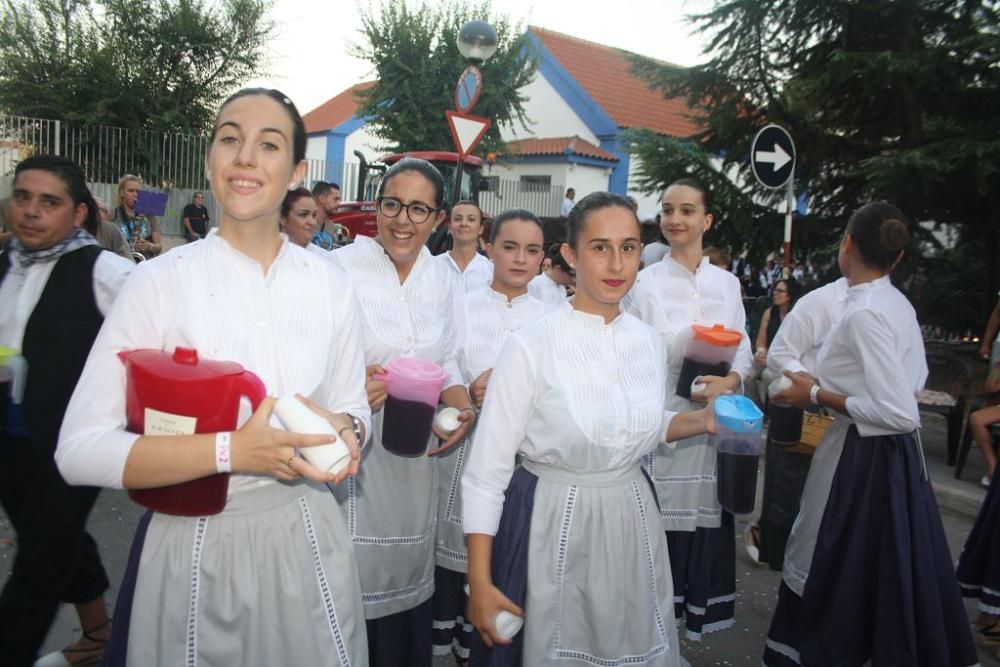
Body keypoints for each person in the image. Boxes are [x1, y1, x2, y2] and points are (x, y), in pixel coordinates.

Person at [56, 88, 371, 666]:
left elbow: (354, 406)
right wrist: (232, 450)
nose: (246, 156)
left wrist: (348, 430)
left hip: (305, 543)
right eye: (230, 138)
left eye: (268, 144)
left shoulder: (331, 286)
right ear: (210, 159)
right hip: (192, 545)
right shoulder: (157, 283)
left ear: (296, 170)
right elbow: (78, 449)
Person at [463, 192, 722, 666]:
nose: (616, 263)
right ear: (570, 254)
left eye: (628, 247)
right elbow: (486, 472)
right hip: (552, 523)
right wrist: (479, 582)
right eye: (600, 247)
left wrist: (701, 420)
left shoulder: (646, 342)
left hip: (630, 522)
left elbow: (634, 426)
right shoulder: (531, 345)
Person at [762, 201, 977, 667]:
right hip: (889, 457)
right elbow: (911, 383)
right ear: (896, 257)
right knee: (883, 565)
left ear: (848, 245)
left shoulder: (864, 313)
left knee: (829, 556)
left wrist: (817, 394)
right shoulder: (894, 303)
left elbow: (899, 411)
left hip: (862, 457)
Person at [329, 157, 476, 667]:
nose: (403, 220)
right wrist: (350, 388)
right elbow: (311, 364)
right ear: (376, 208)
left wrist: (462, 408)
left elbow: (451, 358)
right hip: (359, 449)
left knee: (408, 569)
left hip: (416, 452)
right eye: (392, 204)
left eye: (418, 209)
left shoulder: (443, 280)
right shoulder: (339, 269)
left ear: (438, 219)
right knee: (351, 573)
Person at [0, 155, 134, 667]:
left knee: (37, 567)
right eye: (23, 197)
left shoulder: (104, 271)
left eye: (49, 202)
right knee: (53, 538)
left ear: (78, 214)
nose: (31, 212)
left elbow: (164, 326)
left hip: (70, 445)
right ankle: (98, 635)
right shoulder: (6, 262)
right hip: (10, 439)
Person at [624, 177, 751, 642]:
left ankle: (683, 630)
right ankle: (649, 636)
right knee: (658, 529)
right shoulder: (644, 283)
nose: (675, 219)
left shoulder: (728, 283)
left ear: (707, 220)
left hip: (714, 426)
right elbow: (632, 349)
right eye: (668, 210)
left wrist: (732, 379)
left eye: (687, 211)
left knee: (703, 526)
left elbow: (746, 348)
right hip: (667, 422)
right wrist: (685, 346)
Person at [432, 208, 548, 665]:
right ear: (488, 246)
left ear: (543, 257)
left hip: (526, 462)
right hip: (470, 450)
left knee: (511, 556)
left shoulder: (552, 314)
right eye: (510, 246)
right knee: (462, 552)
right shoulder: (461, 306)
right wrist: (469, 399)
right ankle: (454, 640)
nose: (520, 258)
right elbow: (445, 363)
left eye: (532, 250)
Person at [742, 275, 849, 564]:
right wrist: (813, 386)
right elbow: (780, 353)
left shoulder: (883, 303)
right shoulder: (819, 302)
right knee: (787, 489)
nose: (776, 294)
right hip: (802, 406)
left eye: (780, 290)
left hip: (843, 414)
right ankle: (777, 552)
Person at [749, 278, 799, 407]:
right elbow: (761, 339)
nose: (775, 293)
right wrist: (760, 352)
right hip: (768, 357)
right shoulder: (769, 312)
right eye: (775, 290)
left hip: (786, 362)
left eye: (780, 291)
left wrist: (771, 360)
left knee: (767, 375)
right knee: (746, 373)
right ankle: (756, 405)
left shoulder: (796, 316)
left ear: (789, 295)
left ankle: (772, 410)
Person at [436, 200, 493, 298]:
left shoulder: (491, 271)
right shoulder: (433, 267)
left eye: (471, 219)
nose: (464, 223)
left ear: (480, 228)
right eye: (458, 219)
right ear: (449, 226)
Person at [110, 175, 161, 260]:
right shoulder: (112, 214)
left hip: (144, 264)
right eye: (131, 191)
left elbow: (159, 247)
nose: (135, 194)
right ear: (122, 193)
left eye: (138, 191)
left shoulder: (149, 215)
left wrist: (150, 246)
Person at [280, 187, 330, 259]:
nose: (312, 222)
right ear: (282, 218)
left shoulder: (324, 258)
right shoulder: (266, 257)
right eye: (303, 215)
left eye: (314, 215)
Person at [93, 196, 135, 261]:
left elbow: (127, 260)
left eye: (102, 210)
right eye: (94, 209)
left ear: (107, 215)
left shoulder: (112, 230)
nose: (98, 213)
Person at [311, 181, 342, 250]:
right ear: (321, 199)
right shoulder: (303, 223)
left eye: (339, 200)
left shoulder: (331, 227)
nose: (339, 203)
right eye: (335, 199)